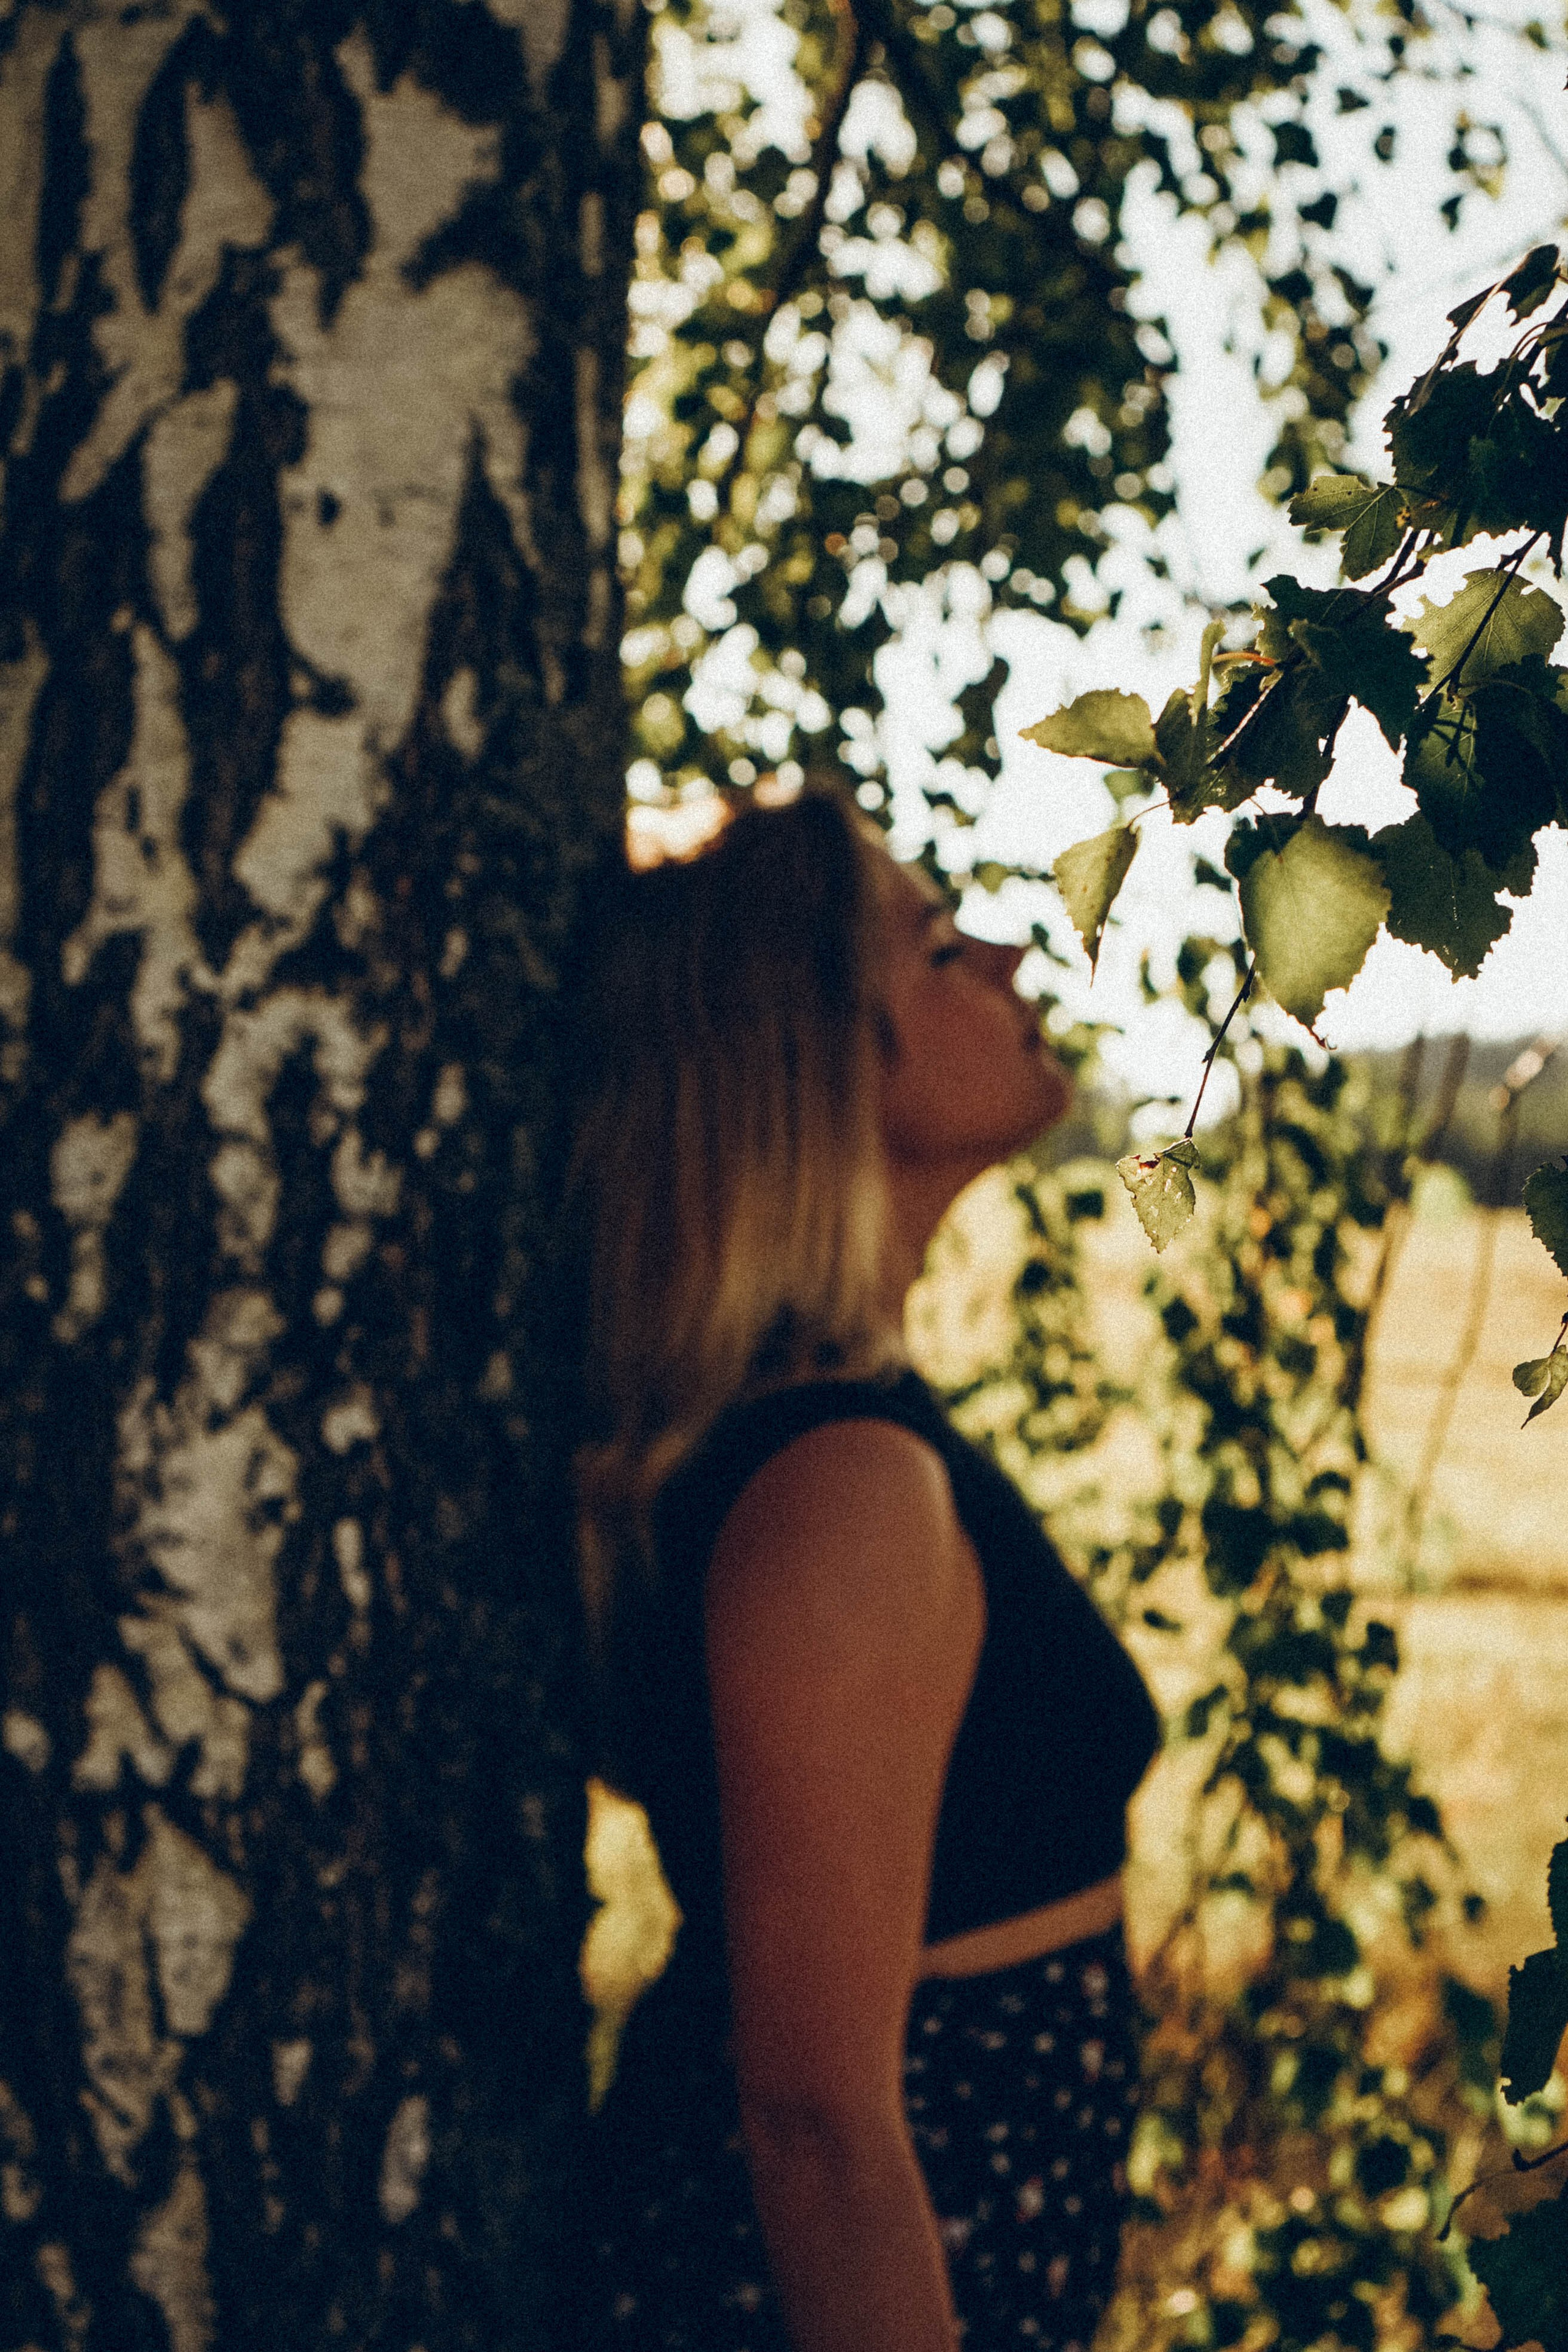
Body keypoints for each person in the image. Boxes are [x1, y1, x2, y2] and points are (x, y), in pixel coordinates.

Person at [566, 781, 1161, 2352]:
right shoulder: (837, 1493)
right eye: (941, 946)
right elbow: (817, 2130)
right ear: (817, 1052)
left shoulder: (835, 1436)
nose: (1012, 960)